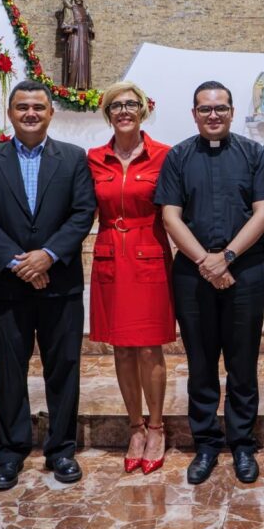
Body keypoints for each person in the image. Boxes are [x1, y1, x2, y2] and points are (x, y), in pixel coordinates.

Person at [0, 79, 96, 491]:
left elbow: (82, 212)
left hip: (60, 285)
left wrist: (48, 255)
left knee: (64, 370)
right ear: (10, 112)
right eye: (22, 107)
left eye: (38, 107)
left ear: (50, 113)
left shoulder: (74, 159)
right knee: (9, 371)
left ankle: (61, 450)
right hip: (7, 287)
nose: (30, 114)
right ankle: (10, 453)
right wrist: (17, 261)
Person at [155, 80, 264, 485]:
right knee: (201, 363)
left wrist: (225, 258)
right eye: (205, 109)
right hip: (193, 275)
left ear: (231, 110)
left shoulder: (253, 153)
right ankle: (206, 442)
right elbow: (170, 216)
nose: (213, 115)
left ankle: (242, 443)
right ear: (194, 113)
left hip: (244, 272)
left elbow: (263, 213)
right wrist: (205, 262)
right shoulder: (178, 156)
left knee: (242, 362)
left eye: (221, 108)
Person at [87, 81, 175, 475]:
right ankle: (134, 428)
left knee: (149, 348)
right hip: (109, 255)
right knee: (121, 348)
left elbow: (177, 208)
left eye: (131, 104)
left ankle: (156, 428)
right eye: (115, 106)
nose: (124, 111)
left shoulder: (164, 156)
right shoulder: (93, 158)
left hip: (150, 255)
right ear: (108, 114)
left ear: (143, 110)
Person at [61, 0, 94, 89]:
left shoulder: (85, 8)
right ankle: (71, 86)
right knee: (73, 58)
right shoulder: (70, 8)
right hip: (74, 36)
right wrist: (72, 27)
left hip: (84, 35)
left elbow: (90, 24)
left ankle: (82, 85)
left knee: (83, 60)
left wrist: (89, 26)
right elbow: (65, 25)